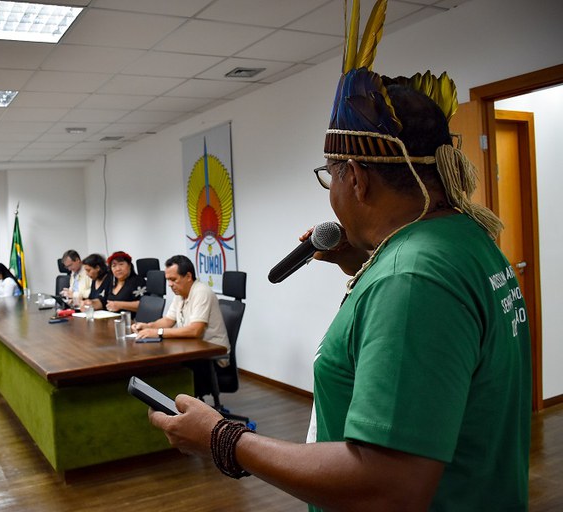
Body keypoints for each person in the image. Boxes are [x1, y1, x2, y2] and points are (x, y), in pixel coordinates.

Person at [147, 1, 530, 510]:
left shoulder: (410, 279)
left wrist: (223, 438)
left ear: (357, 178)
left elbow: (388, 485)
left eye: (331, 175)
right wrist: (363, 261)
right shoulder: (465, 240)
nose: (331, 190)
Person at [132, 255, 229, 395]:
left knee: (163, 369)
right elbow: (168, 320)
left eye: (173, 279)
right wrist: (148, 326)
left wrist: (158, 332)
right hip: (191, 350)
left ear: (188, 276)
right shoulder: (180, 293)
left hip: (210, 356)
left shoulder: (202, 292)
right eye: (168, 280)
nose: (170, 284)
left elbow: (195, 330)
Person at [101, 251, 145, 317]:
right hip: (111, 319)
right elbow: (103, 300)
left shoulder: (138, 281)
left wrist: (119, 305)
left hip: (131, 320)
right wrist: (91, 303)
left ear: (129, 266)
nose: (118, 269)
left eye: (121, 264)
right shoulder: (111, 282)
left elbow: (144, 305)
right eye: (114, 266)